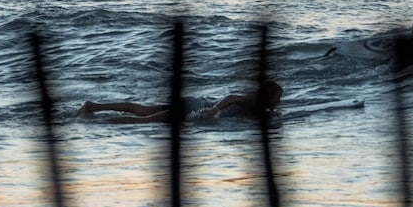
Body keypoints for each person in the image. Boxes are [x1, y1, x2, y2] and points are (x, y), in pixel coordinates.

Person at [76, 81, 284, 123]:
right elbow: (232, 97)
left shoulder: (256, 105)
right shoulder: (251, 104)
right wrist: (213, 110)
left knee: (143, 111)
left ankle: (94, 107)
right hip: (195, 109)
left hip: (193, 102)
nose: (280, 101)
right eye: (278, 98)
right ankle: (100, 123)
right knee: (145, 120)